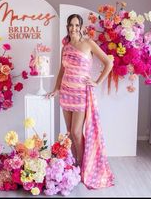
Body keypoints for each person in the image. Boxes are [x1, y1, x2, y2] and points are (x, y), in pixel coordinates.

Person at [46, 14, 114, 189]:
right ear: (67, 27)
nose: (73, 28)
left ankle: (85, 168)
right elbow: (61, 70)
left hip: (81, 93)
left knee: (77, 132)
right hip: (66, 93)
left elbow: (108, 63)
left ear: (81, 27)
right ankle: (77, 165)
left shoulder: (89, 43)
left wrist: (97, 82)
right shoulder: (66, 47)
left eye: (76, 25)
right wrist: (56, 89)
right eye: (71, 25)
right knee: (70, 132)